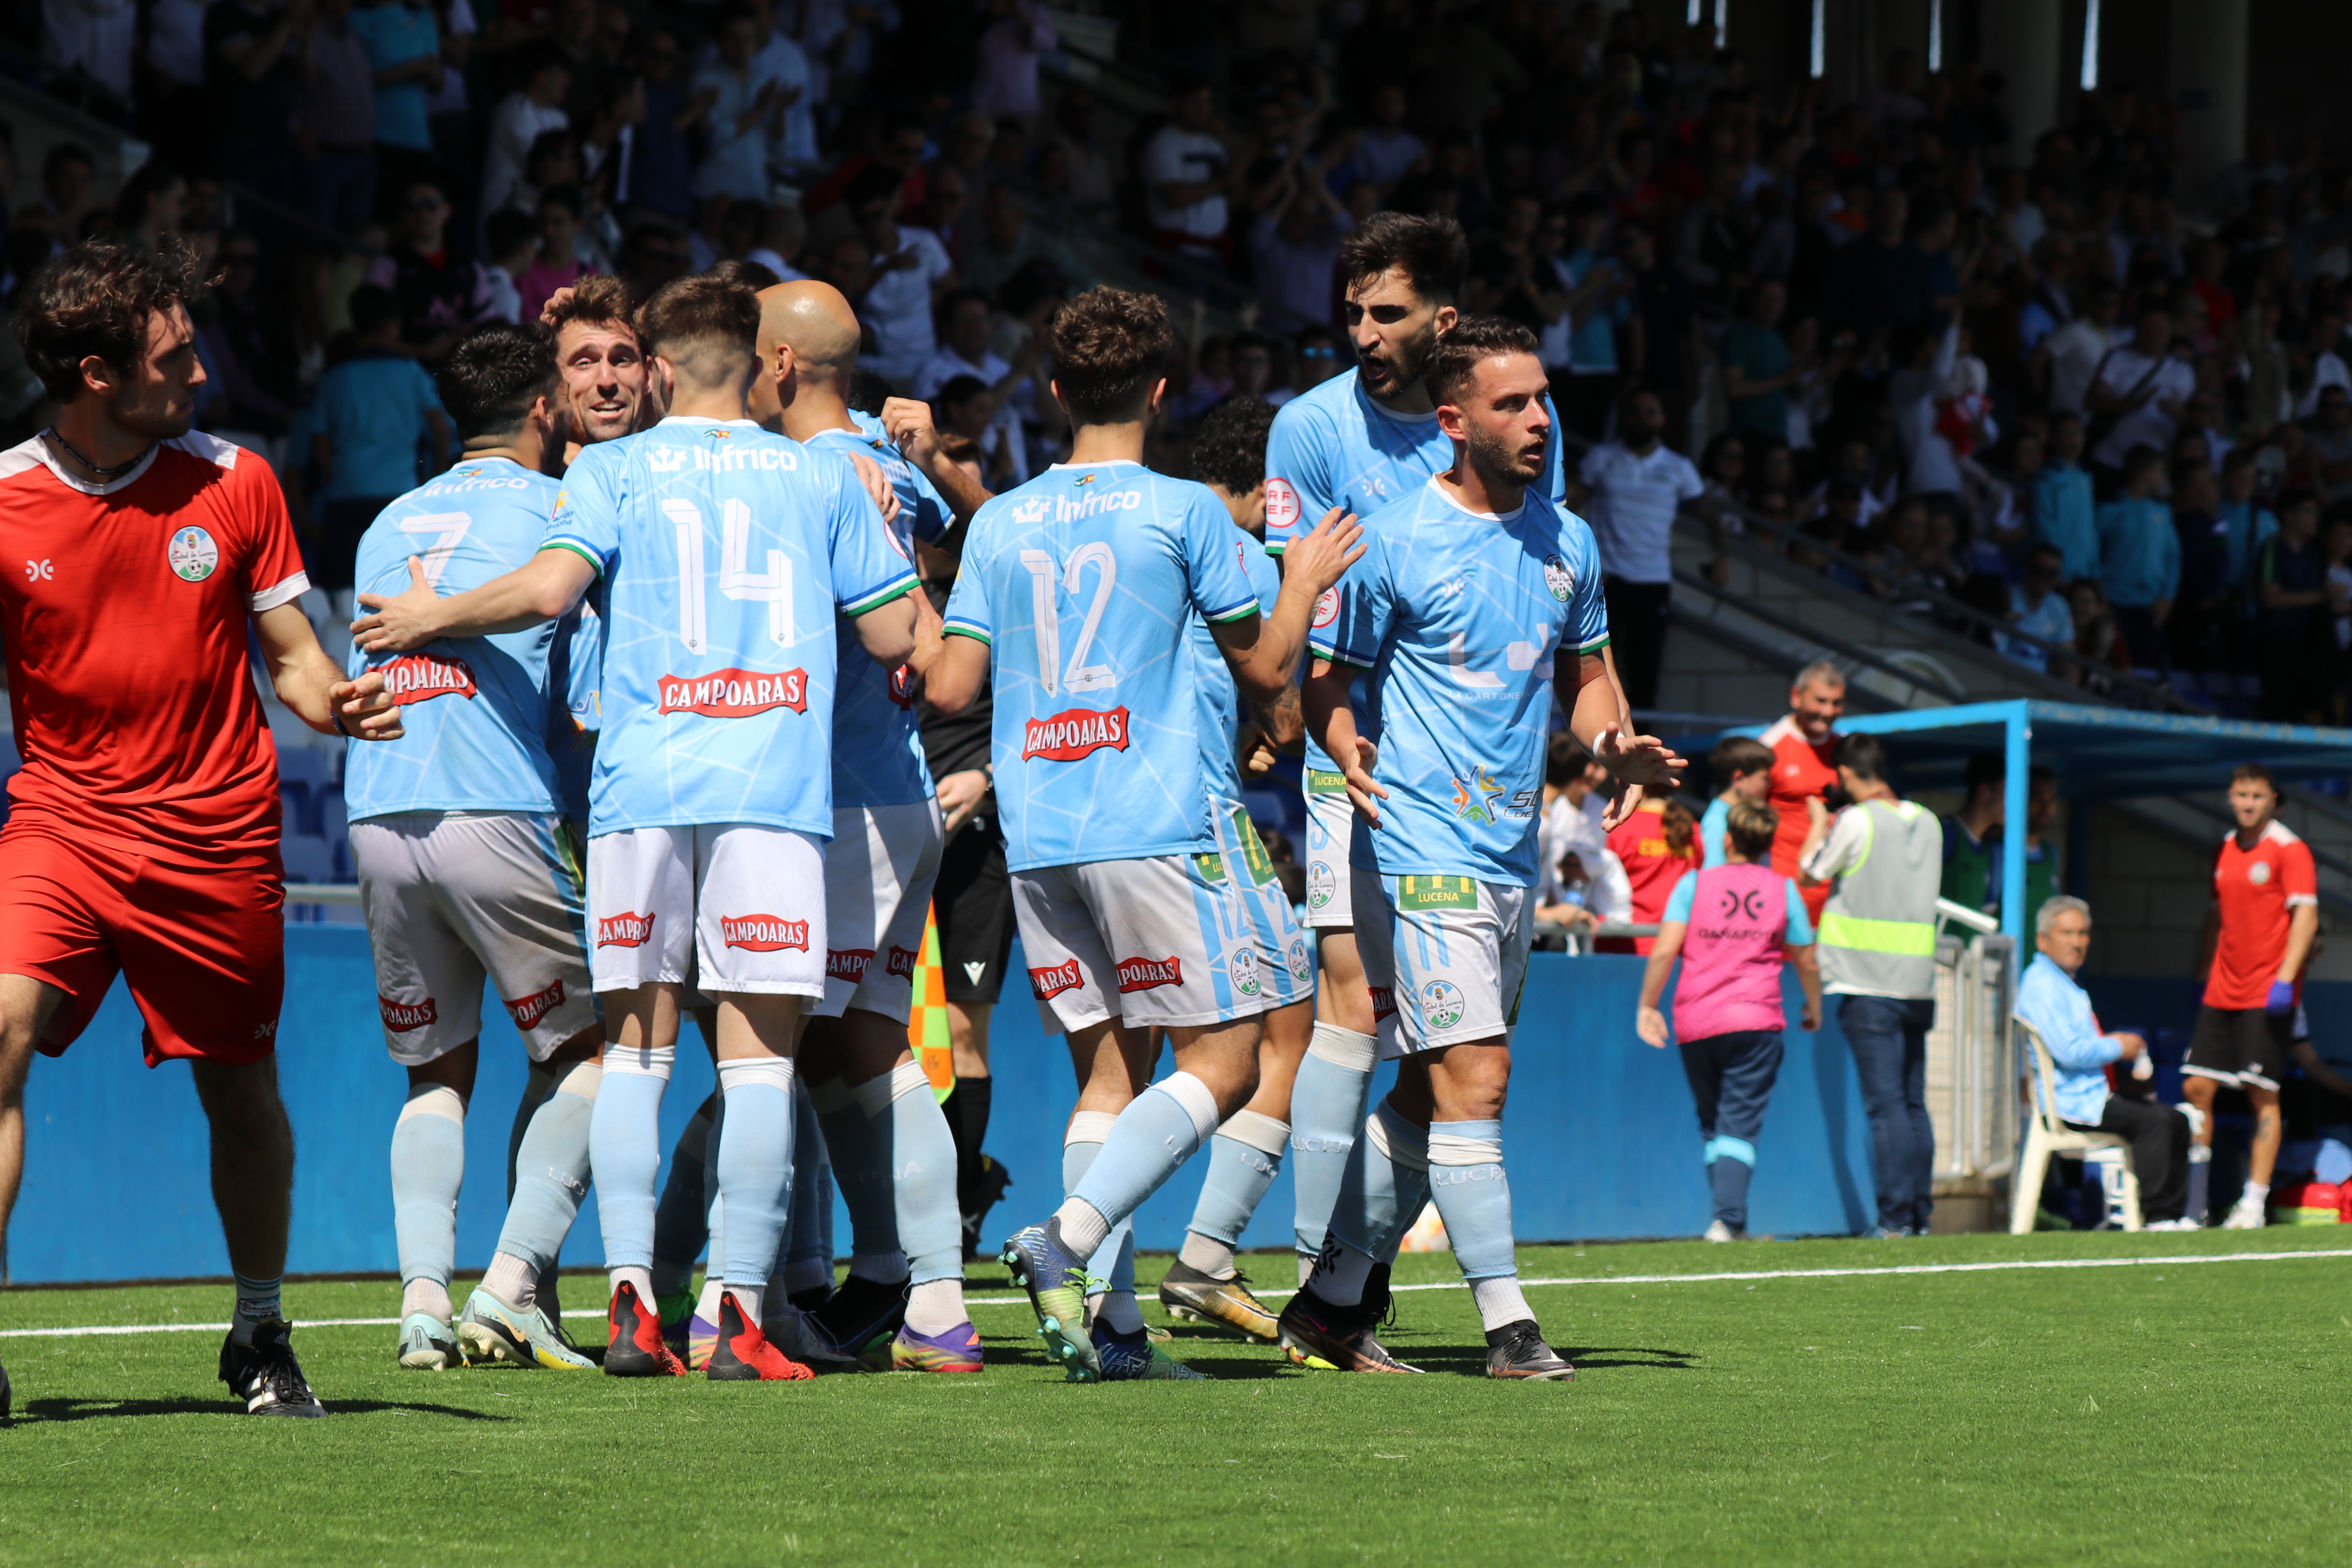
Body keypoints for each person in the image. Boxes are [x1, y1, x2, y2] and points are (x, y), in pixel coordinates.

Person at [354, 272, 923, 1381]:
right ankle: (734, 1317)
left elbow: (553, 593)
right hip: (769, 797)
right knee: (761, 1068)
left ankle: (626, 1307)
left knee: (634, 1055)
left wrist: (431, 616)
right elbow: (902, 634)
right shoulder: (821, 476)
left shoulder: (609, 469)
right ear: (762, 361)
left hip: (637, 797)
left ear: (658, 368)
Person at [913, 285, 1362, 1382]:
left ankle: (1109, 1330)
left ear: (1057, 391)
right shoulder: (1185, 511)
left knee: (1107, 1072)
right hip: (1161, 818)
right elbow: (1265, 672)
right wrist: (1298, 582)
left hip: (1043, 828)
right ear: (1161, 392)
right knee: (1228, 1056)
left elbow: (950, 682)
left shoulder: (1003, 520)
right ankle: (1062, 1241)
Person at [0, 236, 403, 1417]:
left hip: (213, 834)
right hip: (61, 824)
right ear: (93, 373)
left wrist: (340, 701)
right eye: (176, 359)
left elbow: (297, 662)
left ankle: (260, 1329)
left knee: (240, 1091)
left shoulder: (238, 480)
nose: (202, 376)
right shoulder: (3, 498)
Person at [1291, 314, 1680, 1380]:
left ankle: (1326, 1301)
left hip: (1509, 853)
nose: (1539, 420)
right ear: (1453, 421)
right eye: (1511, 404)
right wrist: (1342, 744)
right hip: (1417, 844)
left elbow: (1587, 675)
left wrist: (1612, 743)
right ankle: (1508, 1327)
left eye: (1543, 399)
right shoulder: (1389, 535)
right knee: (1480, 1077)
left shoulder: (1570, 540)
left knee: (1429, 1089)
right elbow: (1324, 674)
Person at [1261, 212, 1567, 1304]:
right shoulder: (1306, 428)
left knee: (1439, 1060)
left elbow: (1541, 566)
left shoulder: (1515, 415)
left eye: (1382, 312)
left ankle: (1342, 1287)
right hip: (1366, 762)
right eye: (1348, 309)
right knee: (1354, 1010)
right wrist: (1293, 715)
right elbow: (1285, 589)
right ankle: (1308, 1264)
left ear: (1440, 320)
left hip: (1485, 789)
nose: (1358, 330)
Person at [344, 322, 607, 1371]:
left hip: (380, 808)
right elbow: (582, 697)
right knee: (600, 1047)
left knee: (435, 1075)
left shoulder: (385, 521)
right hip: (493, 805)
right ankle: (508, 1288)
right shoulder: (558, 512)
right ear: (543, 409)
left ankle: (418, 1310)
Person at [749, 279, 979, 1373]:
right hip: (896, 788)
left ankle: (908, 1294)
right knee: (841, 1057)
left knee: (794, 1050)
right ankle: (881, 1281)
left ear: (781, 366)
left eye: (748, 353)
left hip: (831, 796)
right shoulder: (894, 472)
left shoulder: (793, 474)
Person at [1157, 395, 1320, 1341]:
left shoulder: (1142, 525)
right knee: (1284, 1030)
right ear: (1270, 486)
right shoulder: (1245, 553)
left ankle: (1097, 1283)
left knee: (1118, 1061)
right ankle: (1205, 1255)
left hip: (1077, 818)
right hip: (1196, 824)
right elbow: (1275, 676)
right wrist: (1279, 709)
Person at [1635, 798, 1821, 1240]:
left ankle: (1727, 1217)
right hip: (1756, 1019)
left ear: (1727, 839)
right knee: (1737, 1124)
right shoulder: (1783, 889)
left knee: (1714, 1125)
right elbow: (1807, 958)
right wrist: (1815, 1005)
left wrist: (1647, 1005)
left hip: (1696, 1021)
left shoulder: (1693, 884)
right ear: (1768, 845)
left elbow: (1664, 949)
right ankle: (1728, 1219)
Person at [1799, 731, 1942, 1238]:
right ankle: (1920, 1216)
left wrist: (1819, 824)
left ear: (1845, 774)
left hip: (1866, 983)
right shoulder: (1929, 821)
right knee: (1912, 1104)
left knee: (1885, 1108)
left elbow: (1811, 870)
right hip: (1919, 985)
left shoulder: (1855, 820)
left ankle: (1895, 1220)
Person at [2186, 763, 2317, 1231]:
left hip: (2267, 993)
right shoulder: (2225, 847)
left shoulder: (2290, 849)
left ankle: (2253, 1204)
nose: (2248, 803)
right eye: (2241, 794)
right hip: (2222, 990)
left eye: (2257, 796)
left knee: (2263, 1094)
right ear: (2230, 797)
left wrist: (2285, 979)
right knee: (2196, 1088)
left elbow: (2305, 919)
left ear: (2274, 801)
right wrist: (2205, 968)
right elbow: (2218, 914)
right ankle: (2195, 1203)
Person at [2017, 896, 2196, 1230]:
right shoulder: (2042, 985)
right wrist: (2117, 1046)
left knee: (2176, 1119)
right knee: (2155, 1121)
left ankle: (2172, 1215)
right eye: (2067, 933)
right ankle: (2157, 1218)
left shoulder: (2061, 982)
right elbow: (2069, 1052)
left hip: (2089, 1096)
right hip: (2072, 1105)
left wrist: (2115, 1046)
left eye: (2083, 933)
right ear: (2043, 940)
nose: (2077, 942)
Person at [1569, 384, 1717, 711]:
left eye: (1650, 412)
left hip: (1652, 583)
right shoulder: (1601, 458)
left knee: (1645, 673)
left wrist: (1721, 558)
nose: (1642, 418)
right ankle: (1600, 744)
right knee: (1594, 668)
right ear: (1625, 417)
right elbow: (1568, 507)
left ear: (1662, 420)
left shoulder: (1679, 466)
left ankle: (1642, 748)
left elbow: (1709, 514)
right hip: (1604, 582)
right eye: (1635, 411)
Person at [311, 285, 453, 598]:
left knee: (341, 595)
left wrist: (337, 476)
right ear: (392, 326)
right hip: (400, 497)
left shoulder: (334, 379)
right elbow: (441, 429)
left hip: (345, 498)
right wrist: (434, 474)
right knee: (397, 591)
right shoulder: (410, 372)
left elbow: (321, 444)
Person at [1758, 660, 1845, 921]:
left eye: (1836, 703)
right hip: (1783, 896)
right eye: (1820, 701)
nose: (1828, 711)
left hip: (1836, 899)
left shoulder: (1845, 750)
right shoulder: (1770, 747)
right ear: (1796, 696)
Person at [543, 273, 649, 462]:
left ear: (649, 374)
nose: (607, 381)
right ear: (551, 381)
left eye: (622, 360)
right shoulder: (529, 484)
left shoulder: (688, 473)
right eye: (584, 363)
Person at [2096, 444, 2177, 671]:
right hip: (2114, 603)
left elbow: (2173, 557)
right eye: (2160, 471)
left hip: (2151, 606)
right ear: (2145, 472)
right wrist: (2101, 597)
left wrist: (2167, 597)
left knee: (2145, 671)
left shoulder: (2162, 511)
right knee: (2113, 667)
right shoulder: (2109, 508)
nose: (2163, 478)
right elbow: (2094, 556)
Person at [1594, 795, 1700, 955]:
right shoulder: (1692, 828)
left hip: (1620, 942)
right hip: (1671, 943)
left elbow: (1599, 881)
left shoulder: (1619, 825)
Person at [2031, 413, 2098, 582]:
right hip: (2057, 574)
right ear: (2054, 439)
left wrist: (2094, 570)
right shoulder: (2046, 477)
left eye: (2078, 432)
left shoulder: (2085, 476)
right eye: (2067, 433)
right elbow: (2044, 526)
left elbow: (2089, 529)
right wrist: (2056, 567)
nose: (2074, 439)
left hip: (2084, 574)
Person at [1939, 750, 2004, 918]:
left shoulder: (1990, 850)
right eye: (2007, 792)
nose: (2014, 802)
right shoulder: (1946, 833)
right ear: (1984, 792)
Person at [1698, 735, 1775, 868]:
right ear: (1739, 778)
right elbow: (1713, 875)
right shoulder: (1718, 822)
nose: (1769, 785)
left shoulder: (1740, 814)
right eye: (1764, 778)